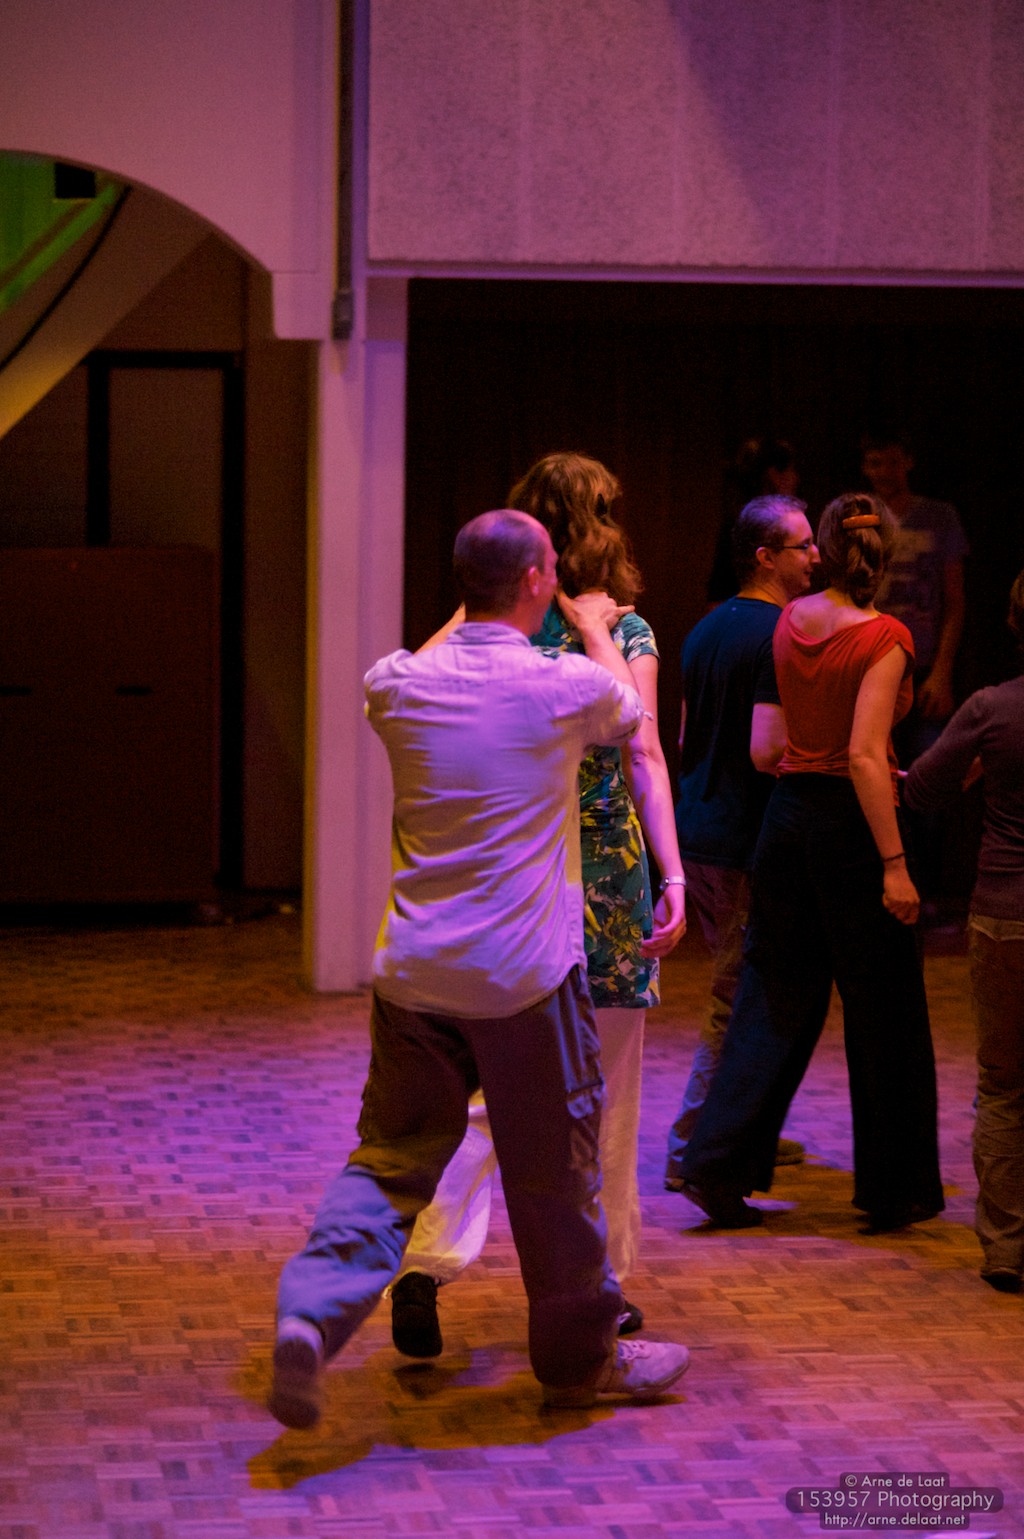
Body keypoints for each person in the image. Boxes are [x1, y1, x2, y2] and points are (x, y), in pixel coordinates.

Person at [267, 509, 690, 1428]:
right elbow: (632, 715)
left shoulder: (397, 683)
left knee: (386, 1165)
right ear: (539, 579)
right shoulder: (563, 685)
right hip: (524, 979)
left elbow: (424, 654)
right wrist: (591, 624)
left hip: (415, 973)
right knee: (555, 1182)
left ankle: (310, 1313)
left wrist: (477, 600)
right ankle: (580, 1365)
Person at [389, 453, 688, 1358]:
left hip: (511, 877)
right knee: (606, 1100)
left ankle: (424, 1261)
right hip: (602, 878)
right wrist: (673, 876)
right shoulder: (620, 630)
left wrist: (468, 608)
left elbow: (420, 676)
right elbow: (643, 752)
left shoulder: (490, 634)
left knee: (486, 1098)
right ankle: (602, 1287)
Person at [676, 492, 944, 1233]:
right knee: (886, 1008)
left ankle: (715, 1165)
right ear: (885, 558)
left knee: (771, 999)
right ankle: (894, 1189)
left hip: (786, 823)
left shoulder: (790, 621)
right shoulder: (885, 635)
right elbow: (863, 756)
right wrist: (895, 862)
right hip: (850, 826)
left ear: (825, 550)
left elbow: (774, 744)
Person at [664, 495, 819, 1188]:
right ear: (765, 556)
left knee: (746, 991)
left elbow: (683, 734)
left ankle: (744, 1126)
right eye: (802, 546)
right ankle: (692, 1148)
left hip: (698, 830)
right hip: (742, 841)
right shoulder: (780, 631)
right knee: (736, 1000)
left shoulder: (705, 629)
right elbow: (767, 749)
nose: (815, 557)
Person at [905, 568, 1024, 1294]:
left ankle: (1007, 1247)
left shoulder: (991, 708)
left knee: (1004, 1085)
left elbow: (922, 787)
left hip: (1004, 912)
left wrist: (977, 770)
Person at [706, 437, 800, 605]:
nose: (796, 479)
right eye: (791, 470)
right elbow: (720, 592)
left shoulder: (736, 521)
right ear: (773, 475)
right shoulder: (751, 526)